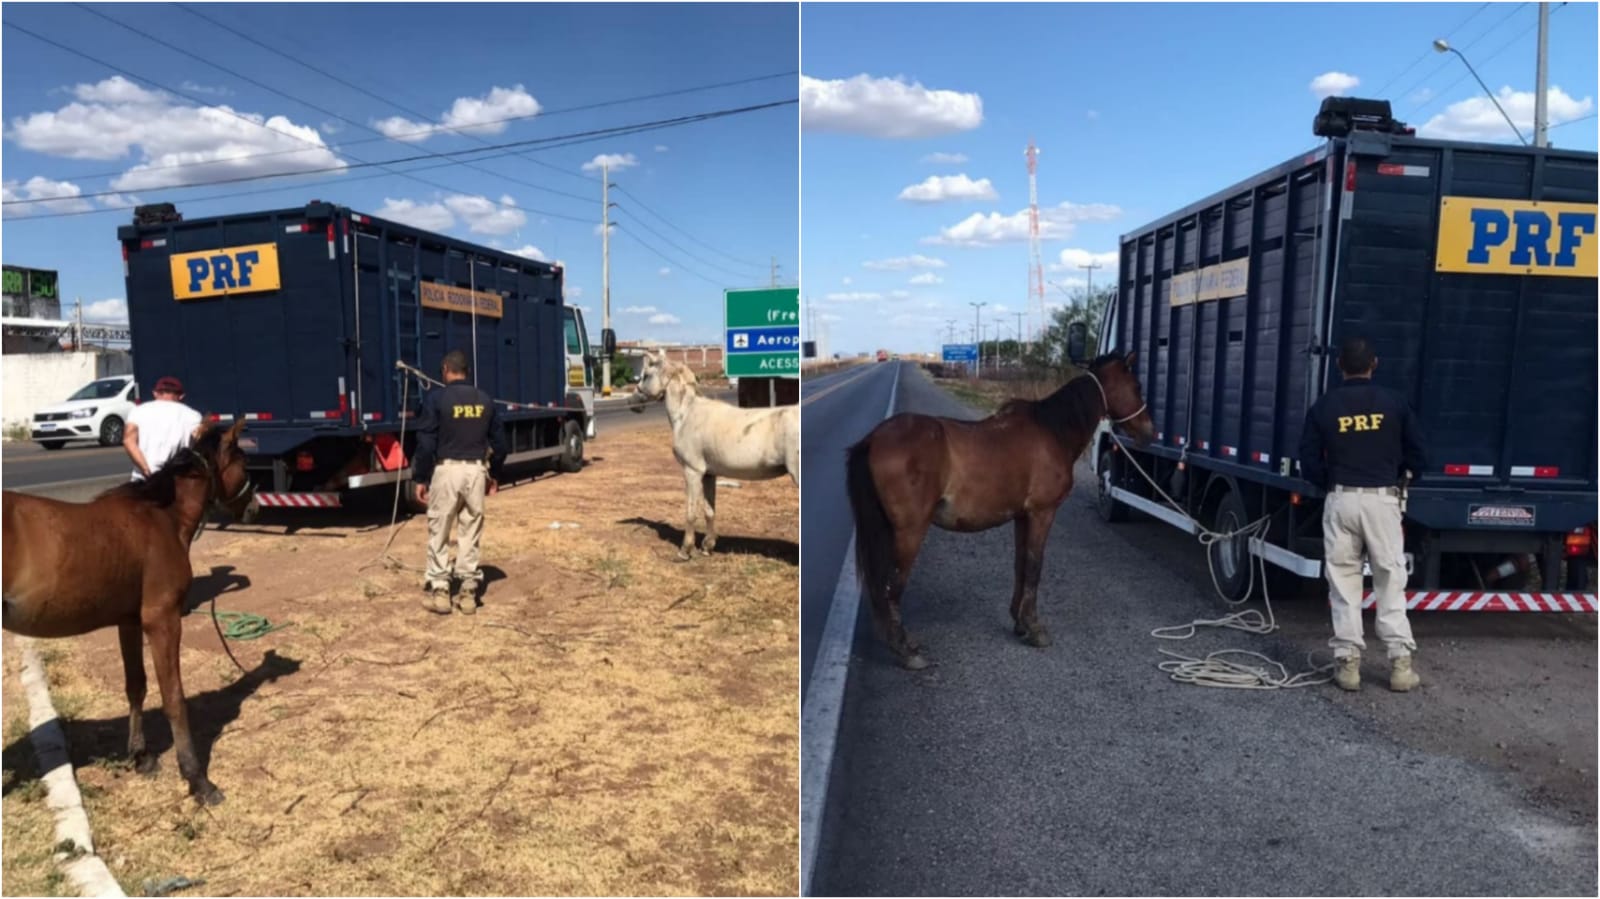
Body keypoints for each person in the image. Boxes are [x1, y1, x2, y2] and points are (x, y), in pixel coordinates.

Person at [1299, 336, 1428, 693]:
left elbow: (1308, 460)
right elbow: (1419, 454)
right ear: (1375, 364)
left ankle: (1348, 666)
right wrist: (1401, 472)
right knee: (1390, 578)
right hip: (1383, 501)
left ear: (1340, 366)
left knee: (1343, 581)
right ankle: (1400, 666)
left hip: (1341, 498)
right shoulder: (1394, 403)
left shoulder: (1325, 406)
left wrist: (1330, 481)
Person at [411, 350, 507, 616]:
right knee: (470, 530)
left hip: (447, 470)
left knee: (440, 528)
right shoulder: (485, 400)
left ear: (445, 369)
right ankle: (467, 592)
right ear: (466, 371)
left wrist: (421, 477)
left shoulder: (436, 399)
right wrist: (494, 475)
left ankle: (441, 590)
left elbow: (426, 443)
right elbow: (500, 445)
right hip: (476, 472)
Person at [124, 375, 202, 481]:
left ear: (155, 393)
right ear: (181, 396)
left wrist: (146, 471)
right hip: (175, 482)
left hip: (141, 481)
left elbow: (128, 441)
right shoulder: (192, 415)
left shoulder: (138, 411)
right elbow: (200, 439)